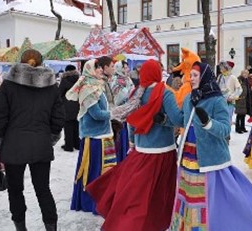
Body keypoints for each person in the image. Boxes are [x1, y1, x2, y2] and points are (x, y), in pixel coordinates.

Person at [170, 61, 252, 230]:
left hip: (209, 155)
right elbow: (182, 120)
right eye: (190, 75)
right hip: (188, 154)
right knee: (188, 192)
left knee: (211, 196)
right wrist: (165, 118)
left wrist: (207, 122)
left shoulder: (217, 100)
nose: (191, 78)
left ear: (204, 77)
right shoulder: (189, 98)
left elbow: (224, 129)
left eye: (195, 75)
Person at [86, 59, 183, 231]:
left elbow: (132, 120)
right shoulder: (165, 93)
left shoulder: (136, 92)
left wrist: (132, 141)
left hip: (142, 148)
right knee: (159, 193)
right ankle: (155, 223)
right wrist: (165, 120)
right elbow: (178, 120)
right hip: (163, 151)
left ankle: (130, 219)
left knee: (137, 190)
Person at [0, 49, 65, 231]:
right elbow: (58, 117)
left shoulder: (9, 85)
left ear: (21, 62)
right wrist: (52, 136)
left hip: (13, 146)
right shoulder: (51, 86)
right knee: (43, 189)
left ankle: (20, 228)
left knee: (15, 191)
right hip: (41, 144)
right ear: (40, 63)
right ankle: (51, 228)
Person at [67, 59, 117, 215]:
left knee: (104, 171)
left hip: (103, 134)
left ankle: (102, 201)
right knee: (94, 172)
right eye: (97, 68)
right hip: (95, 138)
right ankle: (91, 203)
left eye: (100, 68)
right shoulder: (87, 89)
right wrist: (115, 114)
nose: (100, 70)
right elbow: (96, 114)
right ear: (89, 70)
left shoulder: (97, 85)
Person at [58, 65, 80, 152]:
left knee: (68, 126)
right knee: (76, 125)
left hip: (67, 106)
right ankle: (77, 144)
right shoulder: (79, 80)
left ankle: (69, 146)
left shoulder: (64, 80)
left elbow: (59, 93)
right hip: (78, 105)